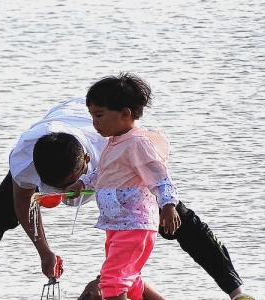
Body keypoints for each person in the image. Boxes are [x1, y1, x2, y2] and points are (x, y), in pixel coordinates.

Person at [0, 75, 253, 300]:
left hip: (113, 168)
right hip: (61, 138)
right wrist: (45, 252)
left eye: (68, 187)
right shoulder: (26, 157)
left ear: (85, 164)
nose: (64, 195)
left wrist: (165, 206)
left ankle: (236, 292)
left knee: (174, 218)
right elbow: (22, 202)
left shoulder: (116, 142)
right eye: (55, 188)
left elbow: (147, 204)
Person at [57, 72, 180, 300]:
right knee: (129, 280)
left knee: (113, 283)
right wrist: (81, 183)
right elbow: (103, 174)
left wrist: (168, 205)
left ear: (125, 114)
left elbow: (159, 177)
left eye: (100, 115)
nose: (95, 122)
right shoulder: (114, 142)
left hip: (134, 224)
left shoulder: (137, 143)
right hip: (117, 225)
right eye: (93, 115)